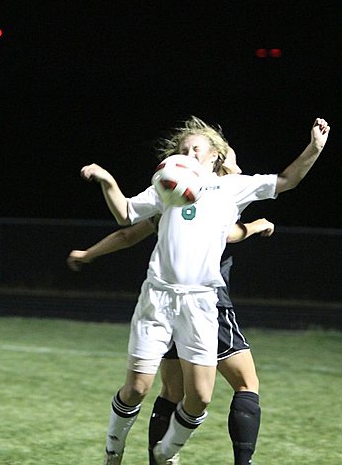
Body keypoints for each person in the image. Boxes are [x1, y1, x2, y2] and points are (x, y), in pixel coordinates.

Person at [80, 116, 329, 465]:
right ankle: (113, 449)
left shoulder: (232, 186)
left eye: (195, 148)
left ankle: (165, 453)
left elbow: (288, 180)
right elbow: (125, 217)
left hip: (201, 302)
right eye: (182, 149)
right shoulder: (166, 186)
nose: (187, 154)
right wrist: (107, 180)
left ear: (214, 155)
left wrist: (314, 148)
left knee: (199, 398)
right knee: (138, 388)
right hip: (158, 297)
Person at [69, 148, 274, 465]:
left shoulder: (200, 191)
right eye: (230, 156)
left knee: (174, 391)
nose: (236, 163)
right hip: (202, 302)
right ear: (217, 159)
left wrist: (89, 254)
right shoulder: (206, 191)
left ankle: (161, 456)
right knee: (238, 385)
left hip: (189, 301)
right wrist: (255, 226)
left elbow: (129, 234)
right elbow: (228, 232)